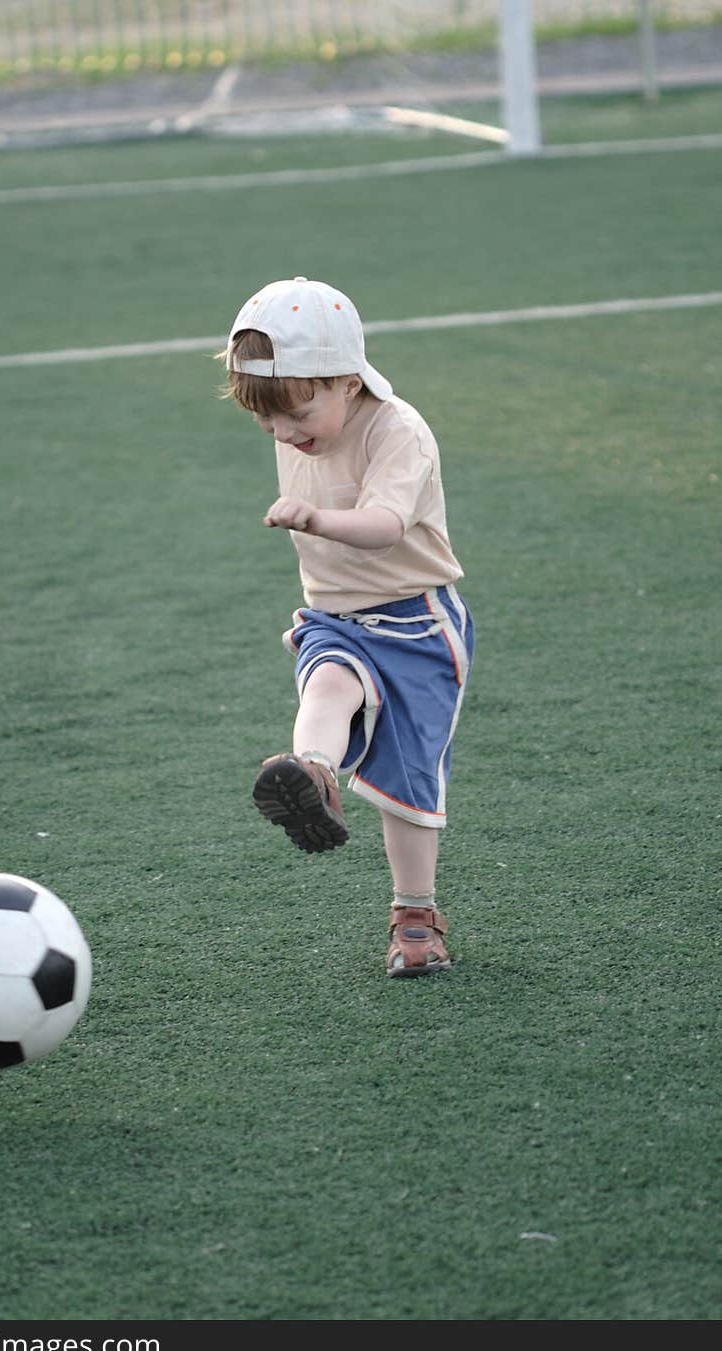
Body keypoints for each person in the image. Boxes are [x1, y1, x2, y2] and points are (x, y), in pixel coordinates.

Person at [220, 276, 475, 978]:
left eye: (295, 415)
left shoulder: (400, 433)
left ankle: (415, 915)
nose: (281, 434)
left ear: (344, 381)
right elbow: (292, 424)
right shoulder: (302, 419)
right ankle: (313, 776)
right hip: (335, 616)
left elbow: (386, 525)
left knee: (408, 788)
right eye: (265, 421)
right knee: (326, 689)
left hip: (416, 622)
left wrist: (317, 518)